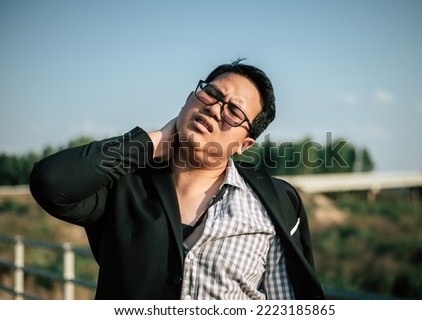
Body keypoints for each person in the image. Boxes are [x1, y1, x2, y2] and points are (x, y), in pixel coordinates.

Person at [29, 59, 324, 300]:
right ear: (188, 99)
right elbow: (51, 181)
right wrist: (152, 141)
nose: (215, 109)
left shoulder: (274, 205)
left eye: (233, 111)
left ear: (243, 145)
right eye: (211, 94)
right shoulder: (124, 185)